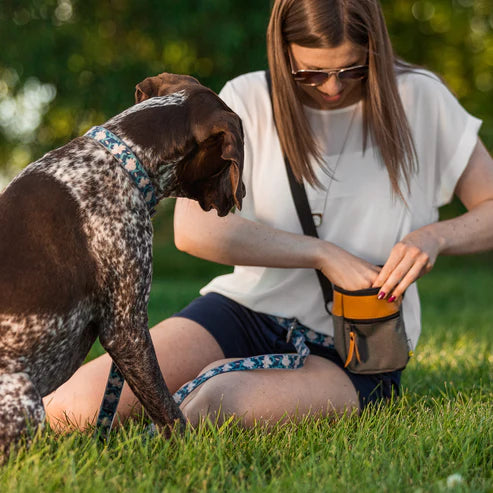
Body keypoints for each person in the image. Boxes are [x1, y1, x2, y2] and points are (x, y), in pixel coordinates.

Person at [44, 0, 493, 430]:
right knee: (74, 408)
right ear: (282, 53)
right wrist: (321, 254)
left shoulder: (420, 98)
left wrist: (434, 238)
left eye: (352, 68)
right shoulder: (247, 97)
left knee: (220, 403)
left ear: (375, 48)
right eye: (311, 73)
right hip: (244, 310)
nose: (334, 86)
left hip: (360, 342)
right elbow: (193, 230)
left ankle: (228, 378)